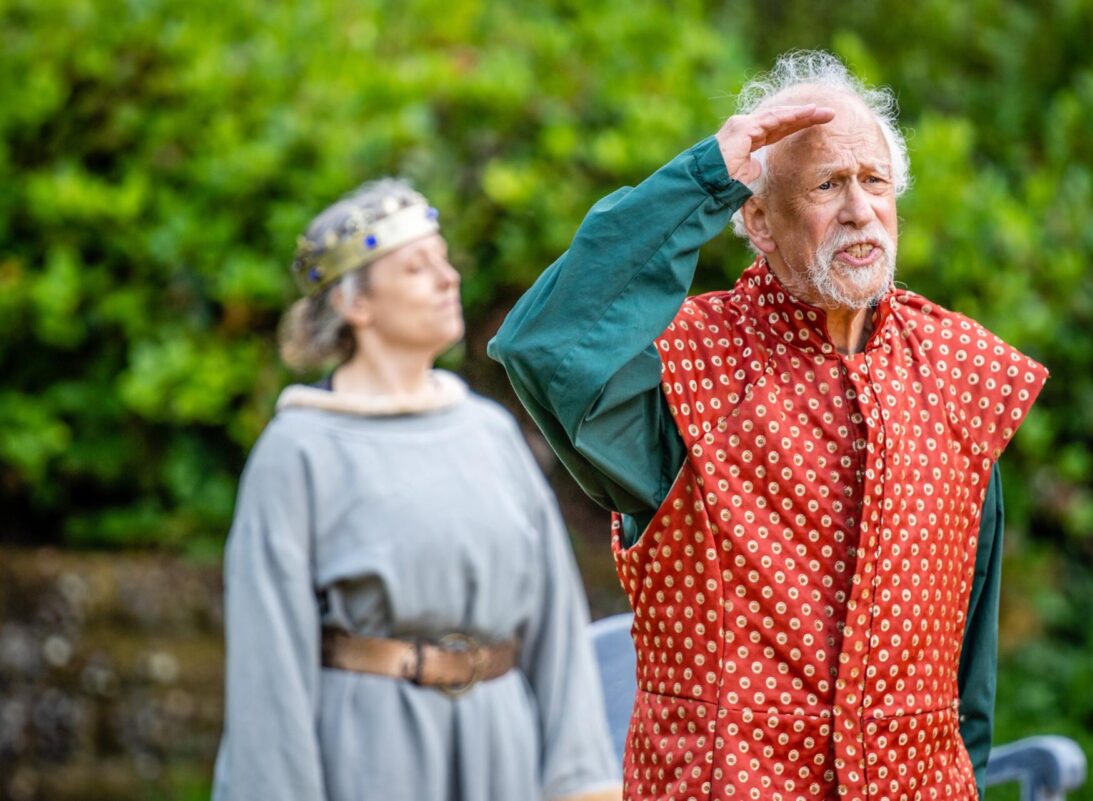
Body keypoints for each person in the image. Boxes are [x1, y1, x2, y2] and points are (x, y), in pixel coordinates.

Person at [490, 51, 1048, 801]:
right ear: (757, 218)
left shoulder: (959, 373)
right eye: (826, 184)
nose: (858, 209)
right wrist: (703, 178)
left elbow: (964, 676)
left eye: (874, 181)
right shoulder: (686, 368)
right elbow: (546, 342)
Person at [212, 179, 621, 801]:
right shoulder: (299, 451)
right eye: (416, 266)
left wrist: (581, 781)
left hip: (501, 744)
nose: (447, 277)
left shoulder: (490, 431)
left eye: (445, 259)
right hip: (371, 752)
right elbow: (269, 669)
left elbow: (557, 625)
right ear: (357, 304)